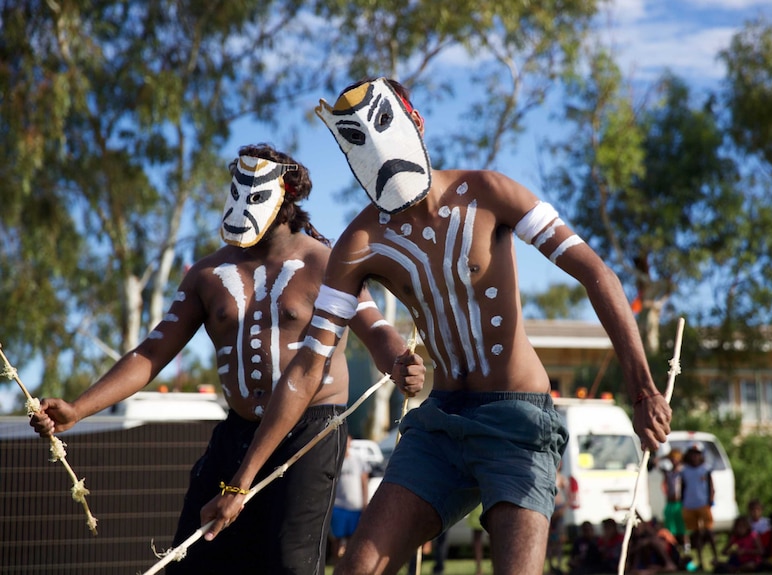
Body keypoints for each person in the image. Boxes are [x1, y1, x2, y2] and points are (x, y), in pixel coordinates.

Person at [199, 77, 672, 575]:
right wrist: (241, 482)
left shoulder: (488, 192)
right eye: (355, 139)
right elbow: (308, 366)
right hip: (439, 425)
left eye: (384, 124)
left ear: (415, 121)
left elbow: (595, 272)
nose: (377, 149)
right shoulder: (359, 243)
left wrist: (642, 390)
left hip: (519, 423)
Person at [29, 143, 425, 575]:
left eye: (256, 193)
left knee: (286, 564)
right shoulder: (206, 274)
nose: (241, 203)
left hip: (308, 434)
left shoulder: (325, 264)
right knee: (195, 557)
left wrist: (398, 363)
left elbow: (377, 329)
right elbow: (151, 352)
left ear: (287, 197)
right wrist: (77, 409)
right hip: (237, 433)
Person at [331, 436, 371, 561]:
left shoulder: (358, 461)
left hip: (354, 507)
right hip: (338, 506)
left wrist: (365, 503)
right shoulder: (335, 461)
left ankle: (349, 562)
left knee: (352, 538)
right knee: (336, 538)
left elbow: (364, 483)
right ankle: (337, 563)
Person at [681, 443, 717, 570]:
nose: (695, 457)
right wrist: (682, 503)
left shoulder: (705, 469)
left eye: (697, 454)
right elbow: (683, 487)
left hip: (703, 504)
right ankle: (701, 561)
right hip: (689, 505)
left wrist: (711, 500)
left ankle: (715, 558)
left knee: (709, 531)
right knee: (696, 535)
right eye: (692, 454)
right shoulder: (685, 470)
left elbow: (711, 486)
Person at [663, 449, 688, 549]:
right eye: (671, 459)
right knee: (670, 525)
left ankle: (686, 545)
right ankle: (672, 545)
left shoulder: (683, 472)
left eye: (675, 458)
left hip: (680, 502)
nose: (673, 461)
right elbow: (656, 463)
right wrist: (665, 457)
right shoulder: (669, 473)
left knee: (682, 526)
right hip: (670, 502)